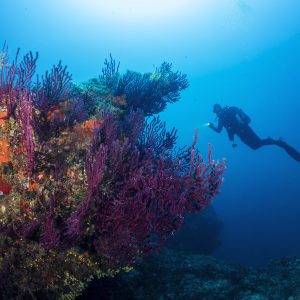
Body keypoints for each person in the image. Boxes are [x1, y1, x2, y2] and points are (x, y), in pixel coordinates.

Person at [208, 104, 300, 161]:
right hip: (243, 130)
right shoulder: (227, 113)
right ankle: (274, 141)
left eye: (216, 110)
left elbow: (219, 131)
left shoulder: (222, 117)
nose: (217, 112)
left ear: (216, 111)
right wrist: (212, 126)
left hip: (244, 129)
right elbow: (220, 130)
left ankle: (277, 142)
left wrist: (211, 126)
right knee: (255, 146)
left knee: (257, 144)